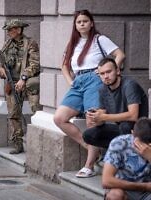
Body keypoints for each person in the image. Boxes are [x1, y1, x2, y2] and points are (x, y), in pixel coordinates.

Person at [53, 9, 125, 178]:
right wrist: (71, 82)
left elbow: (120, 54)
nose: (82, 24)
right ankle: (94, 148)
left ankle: (89, 165)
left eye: (85, 21)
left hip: (95, 79)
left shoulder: (99, 40)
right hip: (78, 81)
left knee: (92, 120)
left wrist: (106, 73)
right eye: (79, 22)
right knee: (59, 118)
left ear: (91, 23)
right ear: (75, 25)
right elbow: (64, 66)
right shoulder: (73, 43)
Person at [83, 57, 148, 151]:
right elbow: (102, 118)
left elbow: (133, 115)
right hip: (120, 129)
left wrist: (104, 117)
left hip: (138, 130)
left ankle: (126, 157)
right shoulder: (103, 90)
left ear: (117, 71)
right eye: (102, 73)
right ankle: (116, 151)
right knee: (88, 135)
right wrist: (95, 117)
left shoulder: (129, 85)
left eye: (108, 72)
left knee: (124, 126)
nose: (106, 76)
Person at [0, 19, 41, 154]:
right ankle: (18, 144)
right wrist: (0, 69)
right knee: (13, 114)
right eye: (8, 30)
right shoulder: (7, 45)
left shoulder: (30, 43)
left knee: (35, 110)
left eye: (11, 29)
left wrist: (23, 78)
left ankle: (38, 141)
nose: (9, 32)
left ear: (18, 30)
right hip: (11, 81)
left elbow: (34, 64)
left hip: (26, 81)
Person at [102, 117, 151, 200]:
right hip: (124, 187)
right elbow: (106, 181)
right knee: (115, 195)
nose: (146, 147)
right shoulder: (120, 143)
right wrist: (145, 186)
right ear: (132, 133)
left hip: (147, 193)